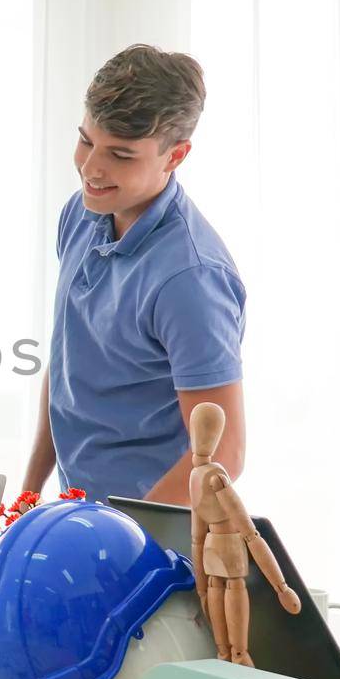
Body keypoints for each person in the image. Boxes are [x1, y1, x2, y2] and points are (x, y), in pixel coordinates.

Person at [21, 43, 247, 508]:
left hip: (153, 540)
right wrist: (29, 490)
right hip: (81, 517)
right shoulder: (81, 213)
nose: (91, 168)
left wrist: (123, 537)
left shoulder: (190, 278)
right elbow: (67, 359)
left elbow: (225, 452)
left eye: (121, 155)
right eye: (86, 141)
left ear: (175, 156)